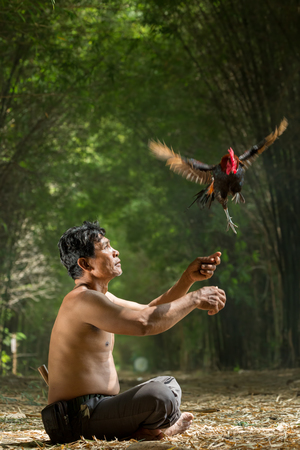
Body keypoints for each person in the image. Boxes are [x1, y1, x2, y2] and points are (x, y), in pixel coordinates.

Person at [41, 221, 226, 444]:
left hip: (99, 410)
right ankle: (154, 430)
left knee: (168, 383)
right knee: (160, 396)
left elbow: (150, 311)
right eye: (107, 247)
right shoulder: (82, 299)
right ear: (85, 264)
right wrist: (195, 298)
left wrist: (188, 279)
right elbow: (145, 324)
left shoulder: (102, 298)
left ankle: (145, 431)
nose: (115, 251)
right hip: (76, 420)